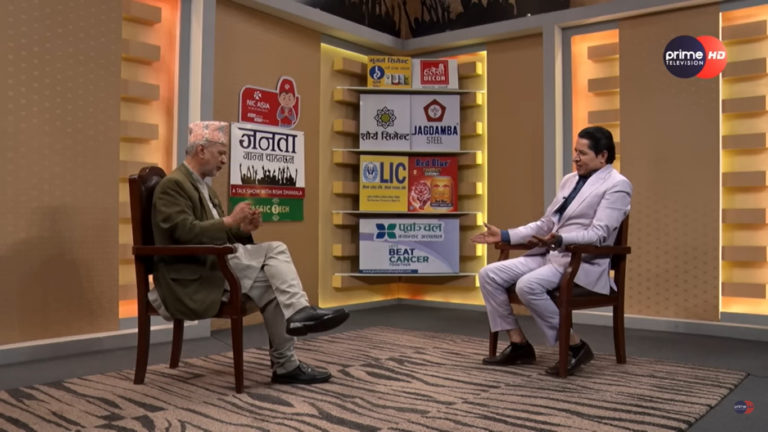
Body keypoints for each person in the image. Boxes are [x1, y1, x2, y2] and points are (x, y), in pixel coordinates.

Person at [149, 121, 349, 385]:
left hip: (213, 265)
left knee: (276, 283)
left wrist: (242, 229)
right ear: (201, 150)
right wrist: (231, 221)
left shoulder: (205, 189)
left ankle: (286, 363)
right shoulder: (173, 185)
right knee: (276, 250)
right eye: (221, 153)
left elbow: (219, 234)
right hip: (190, 276)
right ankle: (297, 321)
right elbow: (183, 233)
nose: (224, 160)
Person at [471, 126, 631, 376]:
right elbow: (547, 223)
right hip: (549, 255)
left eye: (582, 153)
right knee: (489, 274)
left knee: (527, 285)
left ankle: (576, 346)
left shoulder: (618, 185)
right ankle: (519, 344)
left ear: (603, 156)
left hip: (580, 262)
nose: (575, 158)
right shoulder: (569, 180)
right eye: (575, 151)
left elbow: (598, 234)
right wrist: (504, 235)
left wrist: (561, 239)